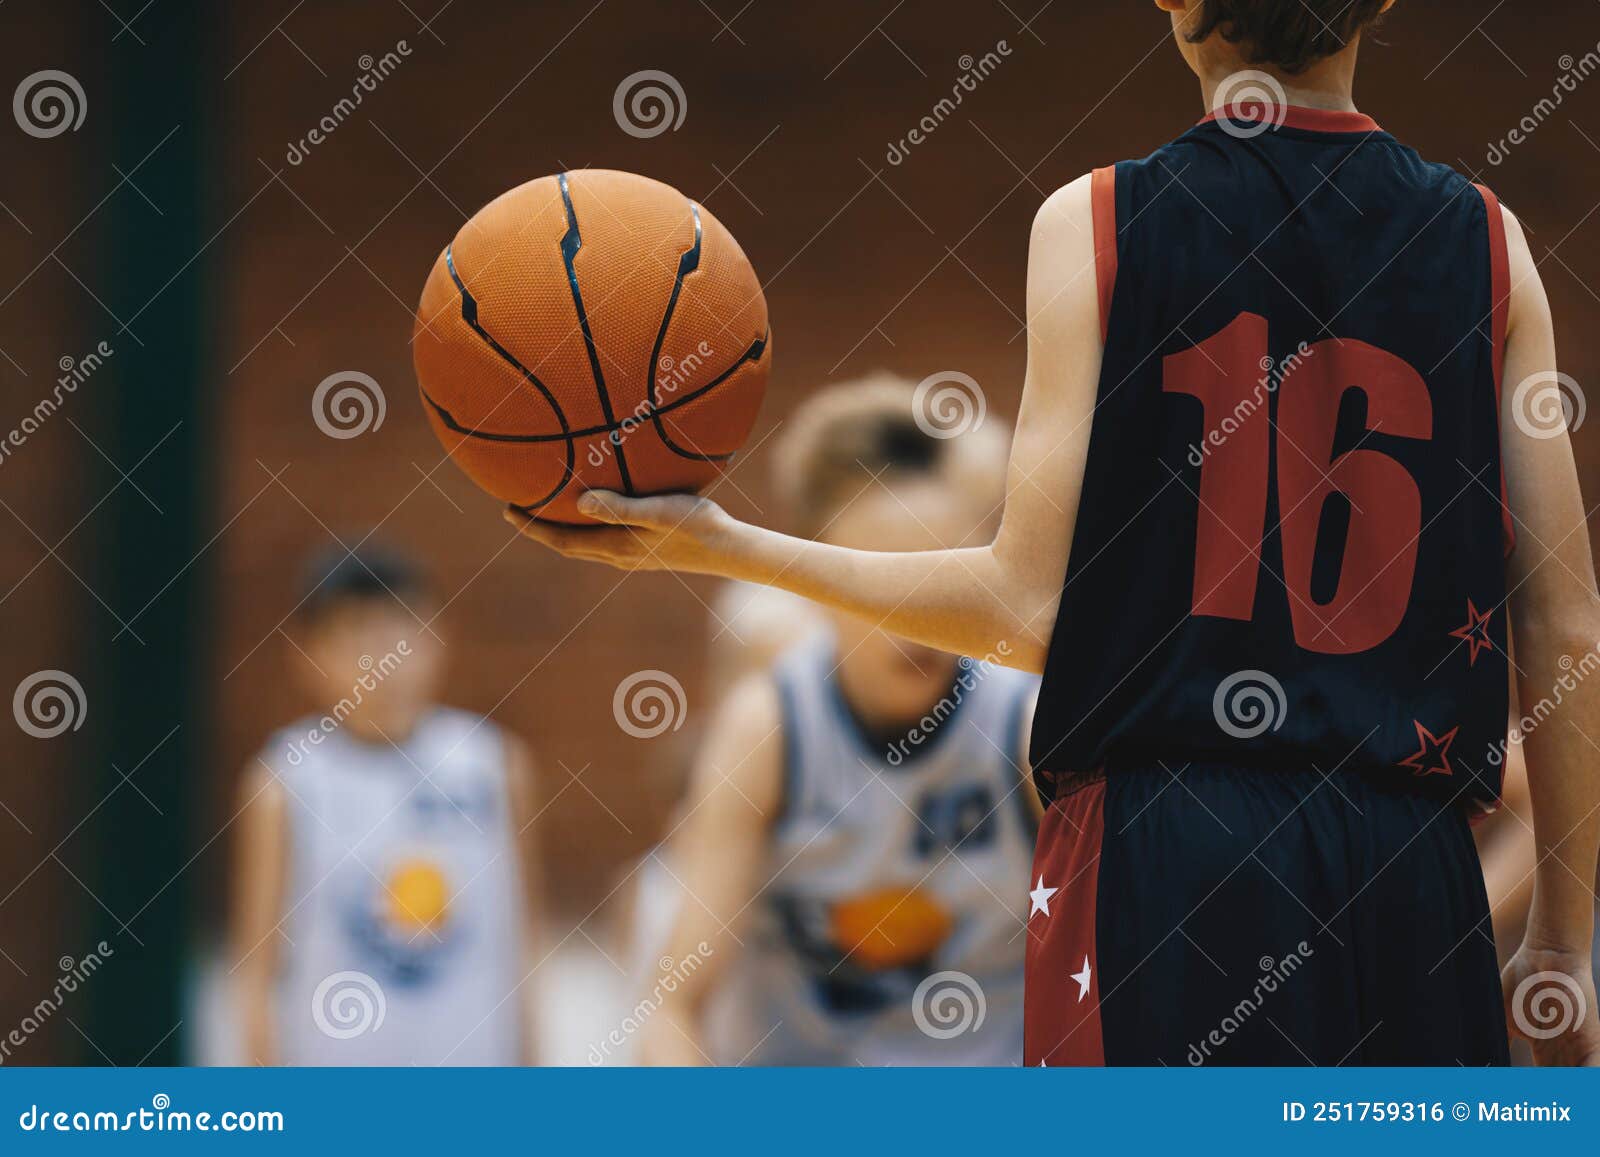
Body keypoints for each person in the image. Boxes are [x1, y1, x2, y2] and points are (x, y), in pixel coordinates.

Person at [510, 1, 1600, 1066]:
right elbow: (1563, 625)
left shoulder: (1096, 220)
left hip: (1167, 858)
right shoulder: (1491, 247)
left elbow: (1027, 609)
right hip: (1412, 869)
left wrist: (726, 545)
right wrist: (1559, 941)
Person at [634, 378, 1040, 1066]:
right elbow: (673, 1005)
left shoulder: (1026, 718)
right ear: (816, 580)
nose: (916, 615)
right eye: (881, 579)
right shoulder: (765, 728)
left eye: (937, 575)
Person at [231, 546, 543, 1065]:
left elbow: (524, 945)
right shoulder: (285, 780)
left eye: (402, 631)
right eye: (356, 636)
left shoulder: (494, 764)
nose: (383, 658)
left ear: (439, 636)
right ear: (307, 655)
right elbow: (258, 972)